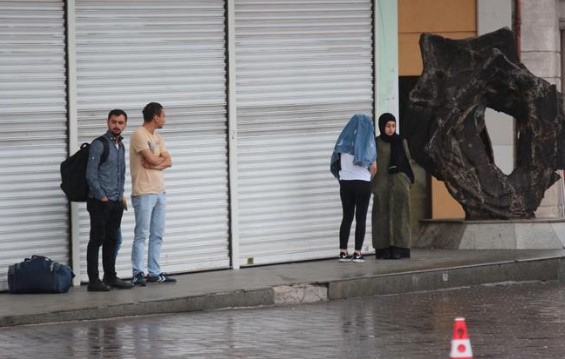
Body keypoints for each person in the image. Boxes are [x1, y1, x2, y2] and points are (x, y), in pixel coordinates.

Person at [85, 109, 134, 291]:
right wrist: (102, 197)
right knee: (96, 239)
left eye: (120, 123)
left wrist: (120, 196)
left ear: (125, 125)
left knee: (112, 239)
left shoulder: (120, 146)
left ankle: (110, 276)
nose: (117, 126)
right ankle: (93, 281)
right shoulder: (99, 144)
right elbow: (90, 174)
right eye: (114, 122)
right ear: (108, 122)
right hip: (100, 201)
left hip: (116, 201)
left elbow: (121, 174)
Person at [130, 102, 175, 285]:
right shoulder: (138, 135)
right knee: (141, 234)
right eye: (163, 115)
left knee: (157, 234)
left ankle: (154, 273)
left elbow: (169, 161)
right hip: (143, 193)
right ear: (156, 116)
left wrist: (155, 163)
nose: (165, 119)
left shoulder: (158, 137)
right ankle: (137, 272)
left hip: (159, 192)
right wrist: (158, 161)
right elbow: (148, 158)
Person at [330, 114, 377, 263]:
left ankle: (343, 252)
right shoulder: (367, 144)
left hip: (346, 183)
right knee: (360, 218)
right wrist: (369, 178)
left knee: (347, 217)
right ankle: (357, 253)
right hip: (363, 182)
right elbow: (374, 167)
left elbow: (336, 162)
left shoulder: (342, 143)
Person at [371, 113, 415, 260]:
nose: (391, 129)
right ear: (382, 126)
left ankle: (400, 248)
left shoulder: (401, 141)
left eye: (393, 126)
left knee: (401, 216)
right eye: (388, 126)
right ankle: (383, 249)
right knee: (381, 216)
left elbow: (407, 161)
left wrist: (406, 180)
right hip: (381, 184)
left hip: (399, 184)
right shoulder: (376, 142)